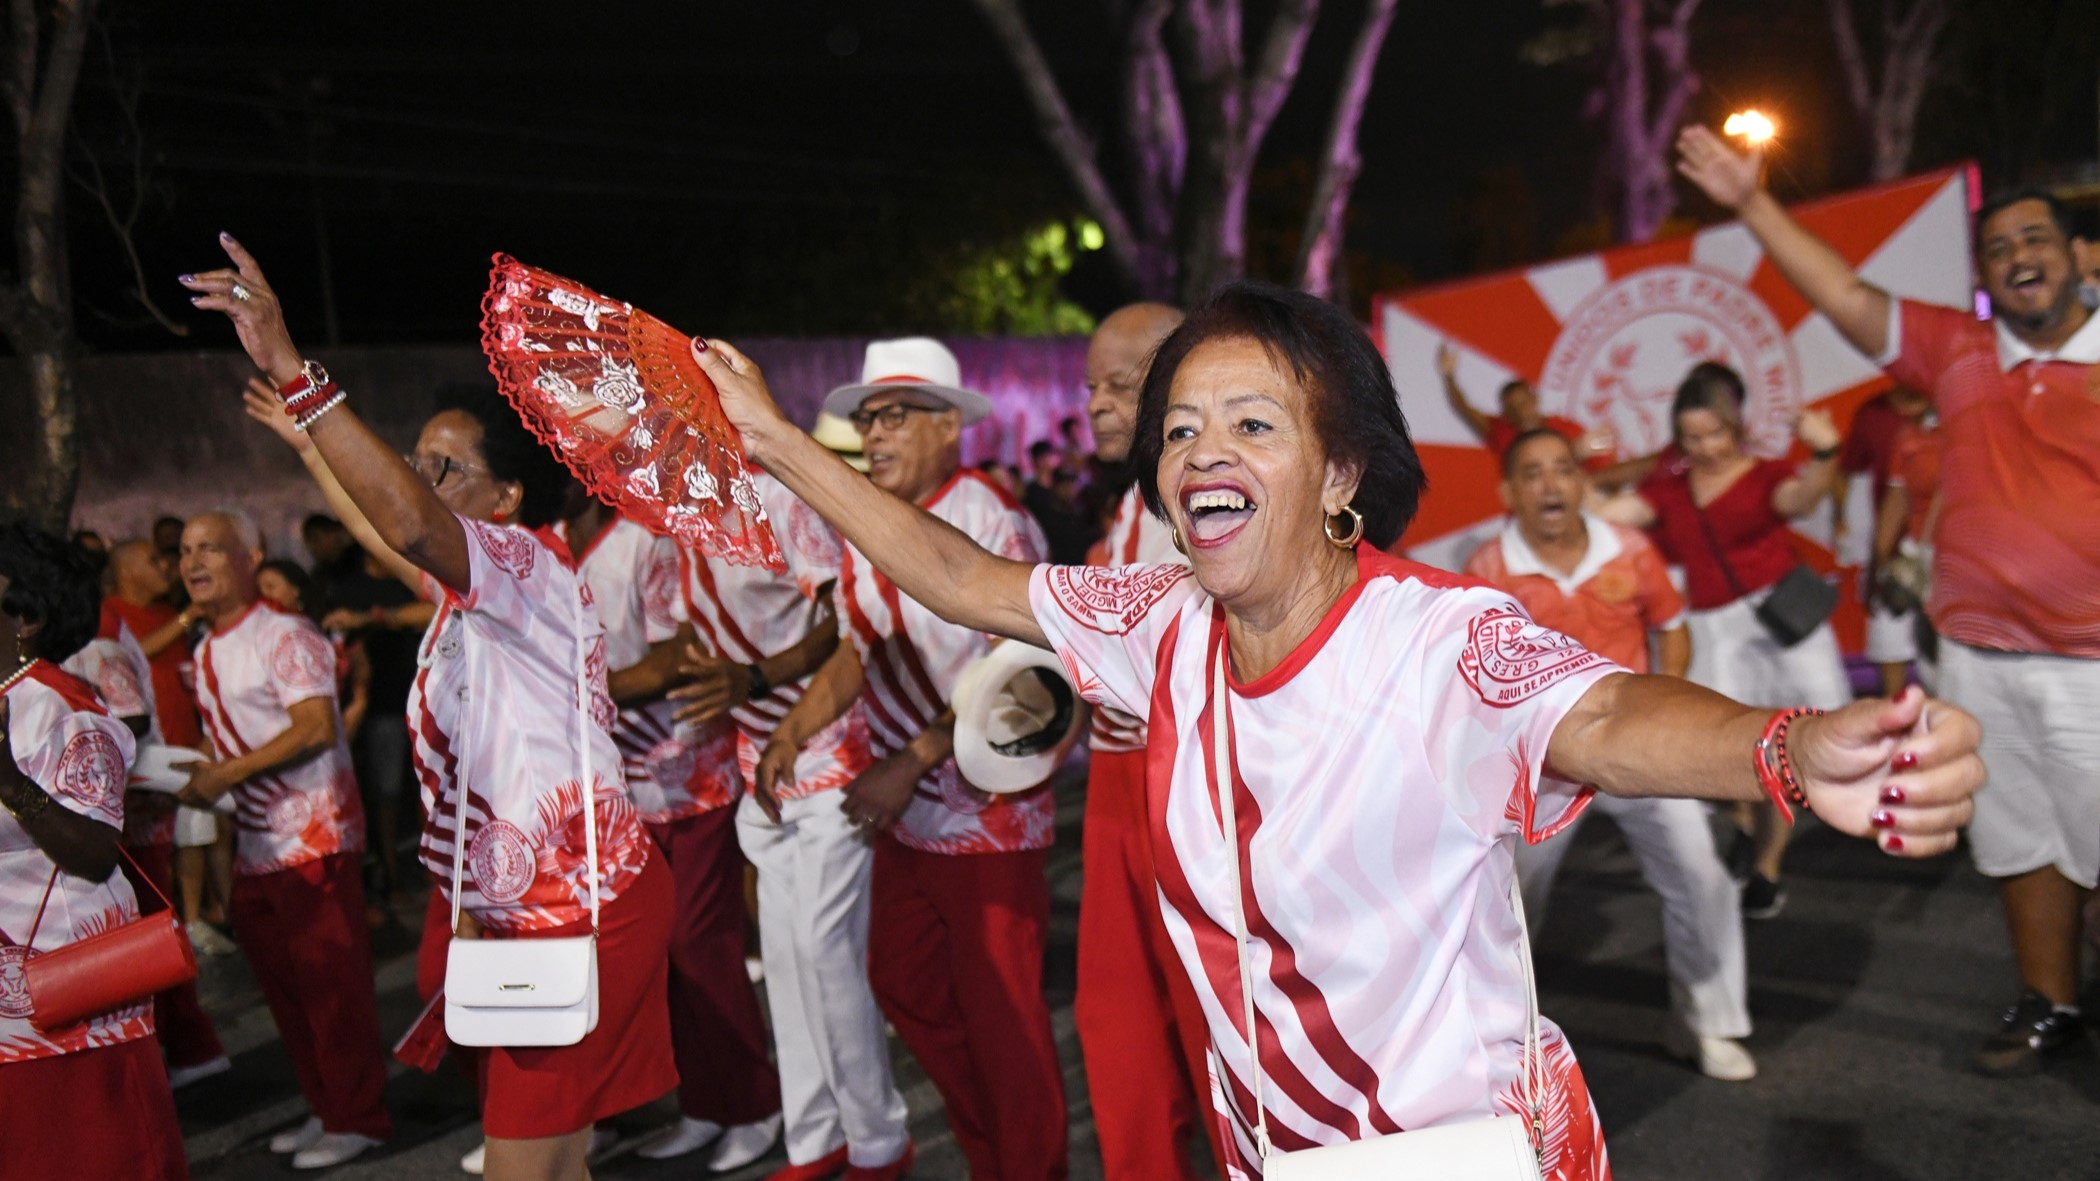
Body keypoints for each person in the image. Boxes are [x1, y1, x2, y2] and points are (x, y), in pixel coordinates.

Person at [691, 280, 1983, 1177]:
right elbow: (961, 580)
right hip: (1271, 1155)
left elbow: (1605, 711)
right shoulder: (1151, 616)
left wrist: (1789, 747)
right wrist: (770, 439)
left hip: (1451, 1158)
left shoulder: (1440, 636)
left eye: (1253, 425)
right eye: (1181, 428)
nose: (1203, 451)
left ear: (1343, 472)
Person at [192, 234, 673, 1181]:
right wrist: (308, 437)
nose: (422, 478)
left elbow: (405, 517)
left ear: (507, 493)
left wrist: (296, 368)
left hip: (580, 910)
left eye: (444, 467)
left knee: (521, 1165)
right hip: (534, 909)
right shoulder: (472, 588)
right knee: (557, 1159)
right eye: (417, 461)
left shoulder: (525, 563)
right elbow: (391, 528)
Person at [1678, 127, 2100, 1075]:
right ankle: (2050, 1001)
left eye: (2036, 240)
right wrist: (1751, 203)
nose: (2017, 258)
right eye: (1998, 249)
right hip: (1980, 659)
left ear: (2081, 255)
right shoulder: (1960, 350)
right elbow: (1847, 297)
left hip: (2095, 665)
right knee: (2022, 840)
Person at [763, 336, 1063, 1181]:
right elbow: (858, 650)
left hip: (987, 816)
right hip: (904, 810)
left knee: (1006, 1026)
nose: (876, 433)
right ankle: (991, 1155)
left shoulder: (988, 514)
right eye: (868, 418)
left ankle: (1029, 1167)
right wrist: (795, 726)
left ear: (946, 426)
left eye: (894, 415)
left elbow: (1028, 675)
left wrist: (914, 759)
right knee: (905, 984)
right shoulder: (872, 518)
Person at [1466, 429, 1756, 1082]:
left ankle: (1703, 1025)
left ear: (1582, 483)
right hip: (1546, 767)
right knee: (1508, 905)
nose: (1550, 484)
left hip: (1635, 750)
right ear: (1510, 492)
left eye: (1563, 470)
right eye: (1533, 473)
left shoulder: (1627, 548)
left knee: (1701, 876)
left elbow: (1672, 627)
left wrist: (1668, 704)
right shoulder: (1487, 566)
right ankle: (1502, 1055)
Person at [676, 464, 911, 1181]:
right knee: (783, 958)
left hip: (832, 747)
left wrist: (755, 678)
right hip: (761, 762)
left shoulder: (775, 491)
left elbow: (841, 624)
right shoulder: (672, 511)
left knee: (827, 952)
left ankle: (879, 1138)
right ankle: (817, 1138)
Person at [558, 490, 783, 1171]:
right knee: (662, 957)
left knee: (700, 946)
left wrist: (564, 693)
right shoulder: (553, 541)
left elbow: (677, 658)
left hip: (687, 778)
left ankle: (754, 1103)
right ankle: (703, 1105)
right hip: (624, 787)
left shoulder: (646, 540)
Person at [174, 508, 393, 1169]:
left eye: (212, 547)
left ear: (252, 555)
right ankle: (327, 1107)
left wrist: (224, 775)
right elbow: (227, 742)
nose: (194, 562)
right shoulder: (207, 648)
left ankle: (361, 1117)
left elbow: (314, 727)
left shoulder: (286, 632)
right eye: (186, 551)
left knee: (333, 991)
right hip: (256, 846)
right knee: (289, 994)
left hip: (313, 840)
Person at [1609, 363, 1851, 920]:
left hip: (1781, 623)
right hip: (1716, 630)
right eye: (1691, 437)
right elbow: (1606, 512)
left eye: (1714, 434)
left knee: (1791, 740)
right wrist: (1577, 468)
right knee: (1732, 745)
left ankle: (1767, 866)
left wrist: (1824, 454)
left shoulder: (1765, 475)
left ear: (1736, 426)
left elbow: (1801, 498)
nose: (1705, 447)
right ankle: (1744, 823)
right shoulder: (1668, 489)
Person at [1070, 301, 1223, 1181]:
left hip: (1194, 781)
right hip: (1120, 779)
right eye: (1091, 386)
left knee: (1221, 1021)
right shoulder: (1132, 504)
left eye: (1120, 386)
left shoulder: (1212, 499)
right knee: (1119, 1016)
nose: (1095, 405)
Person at [0, 524, 188, 1181]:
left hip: (66, 994)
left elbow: (95, 848)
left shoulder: (66, 709)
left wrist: (11, 784)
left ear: (25, 615)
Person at [64, 575, 230, 1089]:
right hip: (119, 818)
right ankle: (183, 1049)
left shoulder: (99, 648)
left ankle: (191, 1048)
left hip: (134, 819)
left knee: (151, 942)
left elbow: (131, 721)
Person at [105, 540, 232, 953]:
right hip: (147, 752)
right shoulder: (115, 614)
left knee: (199, 835)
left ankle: (198, 919)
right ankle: (174, 928)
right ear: (126, 570)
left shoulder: (164, 613)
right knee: (164, 849)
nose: (167, 567)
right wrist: (186, 619)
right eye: (153, 559)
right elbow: (128, 656)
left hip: (186, 740)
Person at [1838, 387, 1931, 697]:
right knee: (1889, 639)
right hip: (1906, 554)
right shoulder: (1906, 433)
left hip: (1957, 555)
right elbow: (1896, 497)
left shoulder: (1967, 417)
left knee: (1949, 658)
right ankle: (1898, 718)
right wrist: (1879, 563)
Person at [1436, 341, 1613, 468]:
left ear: (1535, 399)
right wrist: (1448, 376)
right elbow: (1463, 407)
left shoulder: (1566, 428)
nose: (1520, 410)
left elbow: (1604, 474)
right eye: (1512, 407)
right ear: (1505, 413)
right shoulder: (1500, 432)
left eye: (1523, 402)